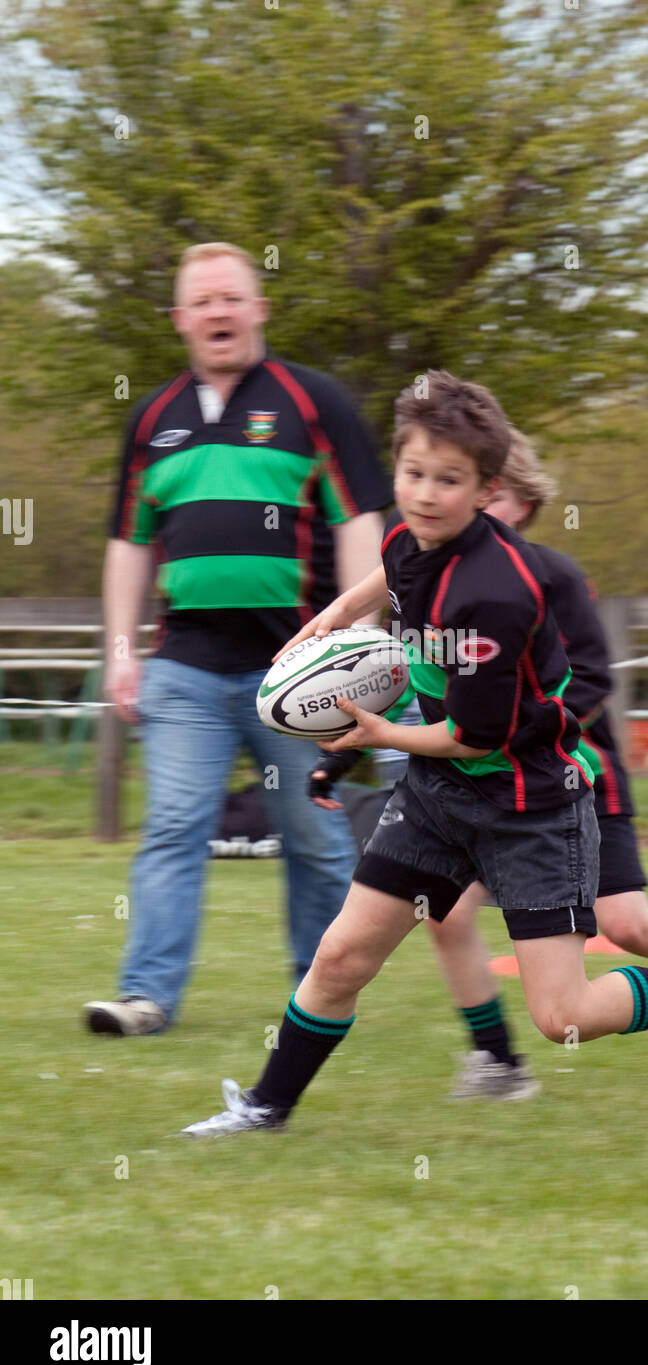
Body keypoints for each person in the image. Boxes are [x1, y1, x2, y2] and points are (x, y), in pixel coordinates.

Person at [182, 369, 648, 1135]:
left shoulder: (496, 592)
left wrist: (377, 735)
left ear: (486, 488)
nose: (423, 494)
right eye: (412, 473)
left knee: (564, 1014)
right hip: (434, 800)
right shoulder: (410, 536)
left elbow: (471, 736)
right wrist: (338, 614)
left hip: (526, 808)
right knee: (342, 957)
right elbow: (394, 571)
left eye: (448, 481)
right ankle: (263, 1108)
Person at [308, 426, 648, 1099]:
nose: (440, 501)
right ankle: (498, 1063)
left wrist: (528, 730)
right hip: (472, 779)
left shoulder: (540, 580)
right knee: (447, 913)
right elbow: (420, 686)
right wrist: (342, 756)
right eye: (419, 478)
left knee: (627, 924)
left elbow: (592, 685)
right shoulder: (436, 569)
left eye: (488, 493)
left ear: (512, 500)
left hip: (570, 776)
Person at [84, 242, 393, 1036]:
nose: (218, 312)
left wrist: (355, 645)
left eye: (232, 298)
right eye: (203, 302)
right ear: (181, 319)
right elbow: (128, 543)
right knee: (173, 827)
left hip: (295, 672)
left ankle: (319, 997)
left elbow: (361, 520)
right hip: (183, 669)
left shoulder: (315, 403)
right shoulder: (151, 420)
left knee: (315, 835)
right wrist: (122, 654)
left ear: (258, 309)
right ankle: (145, 997)